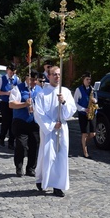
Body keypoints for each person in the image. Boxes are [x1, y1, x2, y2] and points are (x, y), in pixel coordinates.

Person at [33, 65, 76, 197]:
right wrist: (52, 124)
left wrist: (63, 102)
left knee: (60, 156)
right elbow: (38, 113)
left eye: (59, 74)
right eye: (54, 74)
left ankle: (58, 185)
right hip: (48, 130)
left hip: (62, 129)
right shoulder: (41, 94)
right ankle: (41, 179)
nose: (57, 77)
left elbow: (71, 110)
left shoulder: (65, 92)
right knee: (46, 156)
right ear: (48, 76)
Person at [9, 70, 40, 177]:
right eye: (32, 79)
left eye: (36, 80)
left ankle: (31, 168)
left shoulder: (40, 90)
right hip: (21, 121)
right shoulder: (18, 88)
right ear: (27, 78)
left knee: (34, 145)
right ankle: (19, 166)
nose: (34, 82)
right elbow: (12, 104)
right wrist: (24, 104)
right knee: (21, 145)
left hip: (35, 122)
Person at [73, 72, 98, 159]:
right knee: (84, 133)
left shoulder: (92, 89)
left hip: (91, 113)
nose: (89, 81)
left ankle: (84, 143)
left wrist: (95, 100)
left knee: (93, 134)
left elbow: (96, 99)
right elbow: (75, 102)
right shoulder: (78, 90)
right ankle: (85, 152)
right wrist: (84, 109)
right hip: (83, 113)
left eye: (90, 79)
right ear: (83, 80)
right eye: (87, 79)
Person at [0, 63, 19, 149]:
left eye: (13, 71)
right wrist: (6, 93)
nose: (11, 73)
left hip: (13, 103)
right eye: (10, 71)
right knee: (6, 121)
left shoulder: (17, 79)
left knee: (13, 122)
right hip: (5, 103)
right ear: (7, 70)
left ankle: (11, 142)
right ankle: (2, 137)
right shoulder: (2, 79)